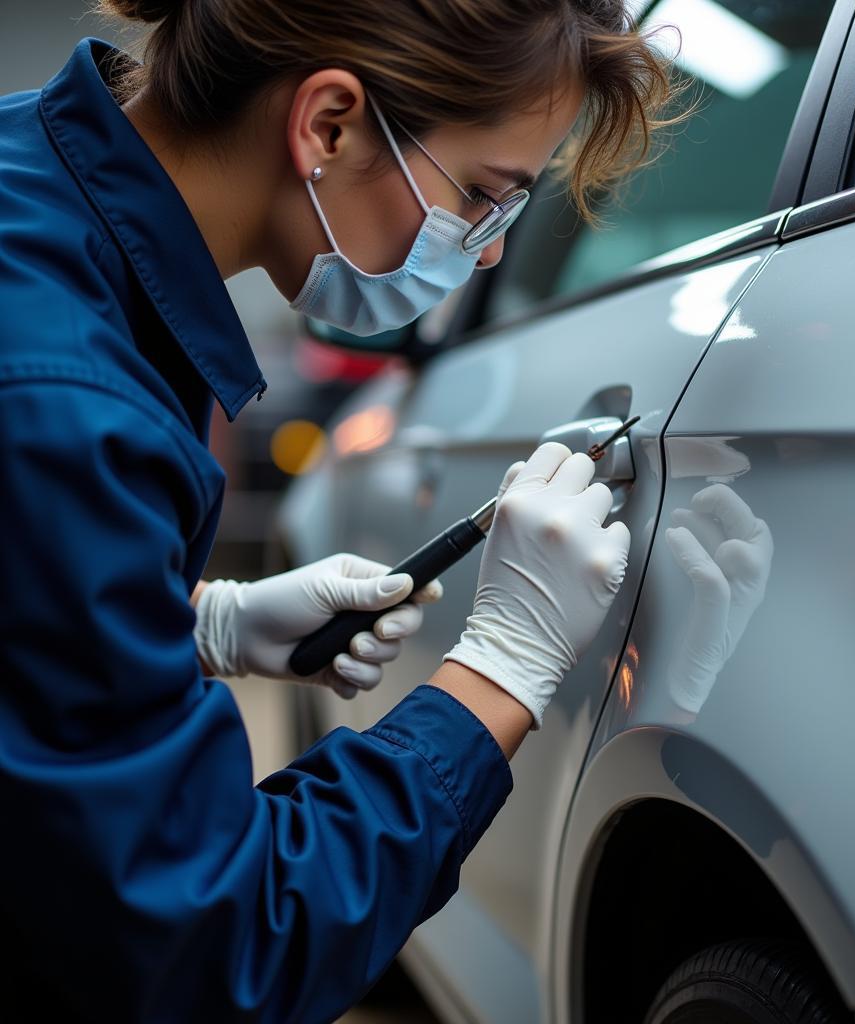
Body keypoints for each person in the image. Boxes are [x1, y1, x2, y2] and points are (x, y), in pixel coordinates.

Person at [0, 1, 678, 1018]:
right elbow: (209, 958)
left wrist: (190, 626)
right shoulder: (64, 406)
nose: (488, 254)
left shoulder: (31, 188)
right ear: (328, 125)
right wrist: (497, 674)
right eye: (486, 200)